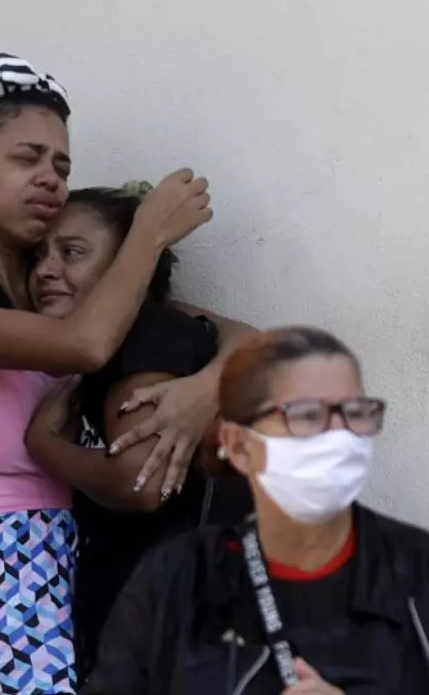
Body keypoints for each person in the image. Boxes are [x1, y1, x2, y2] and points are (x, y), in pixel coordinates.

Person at [0, 51, 212, 694]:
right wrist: (145, 232)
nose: (50, 178)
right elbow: (86, 347)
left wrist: (202, 393)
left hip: (87, 570)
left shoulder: (60, 299)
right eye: (26, 157)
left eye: (61, 164)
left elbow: (246, 340)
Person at [82, 327, 429, 694]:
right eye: (306, 416)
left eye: (354, 413)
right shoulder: (175, 582)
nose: (337, 436)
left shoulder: (426, 574)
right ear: (239, 446)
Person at [23, 183, 257, 681]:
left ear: (128, 264)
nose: (45, 269)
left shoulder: (146, 336)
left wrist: (44, 447)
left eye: (72, 252)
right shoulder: (163, 335)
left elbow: (141, 480)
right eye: (39, 255)